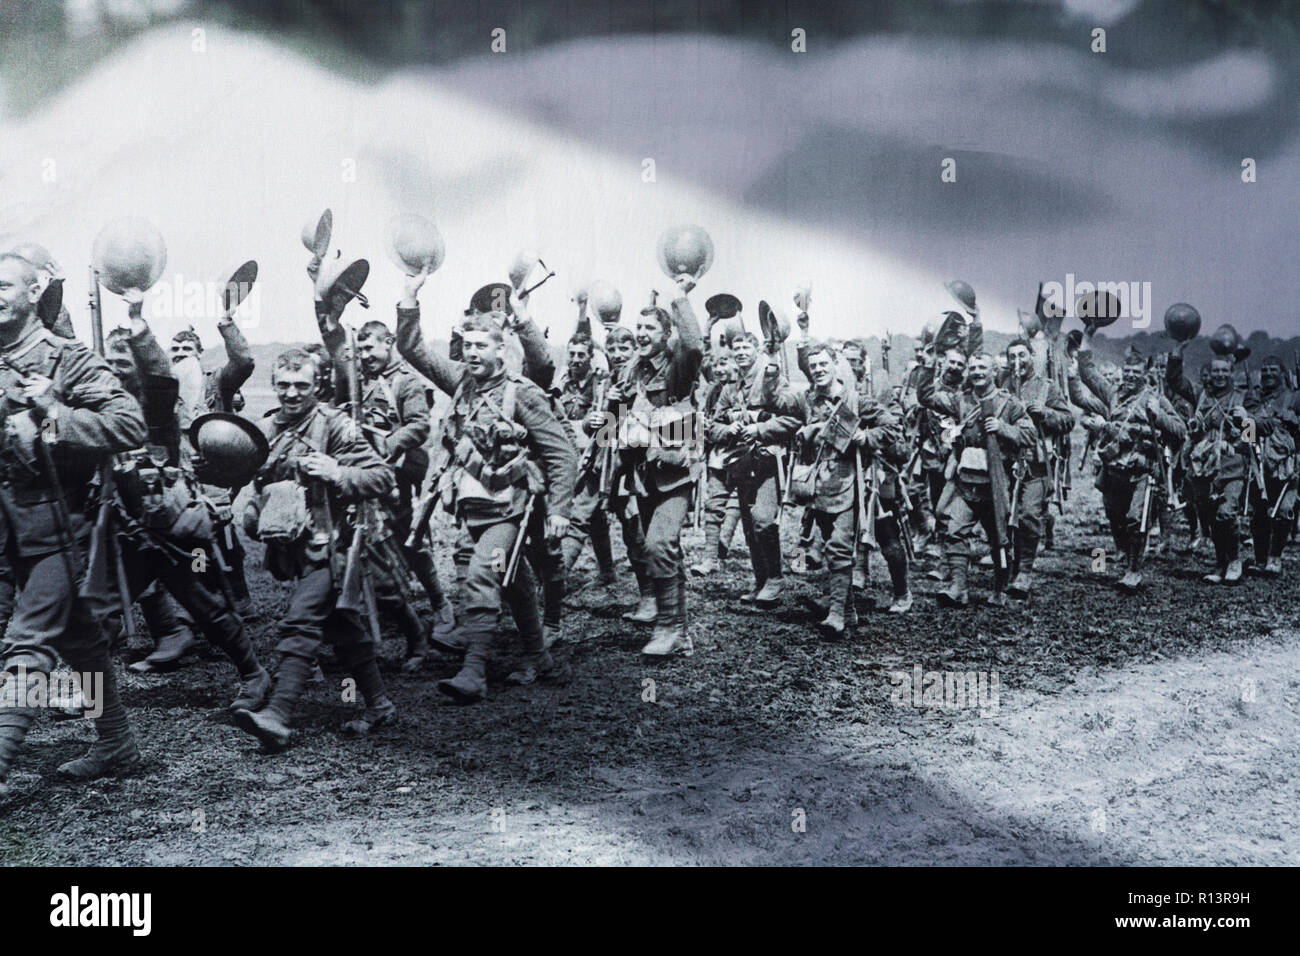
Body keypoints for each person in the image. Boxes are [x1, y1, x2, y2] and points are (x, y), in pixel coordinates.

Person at [0, 252, 147, 792]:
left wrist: (54, 412)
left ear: (34, 292)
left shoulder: (66, 358)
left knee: (29, 644)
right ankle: (117, 742)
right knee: (81, 641)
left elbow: (129, 423)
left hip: (60, 527)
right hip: (8, 529)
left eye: (3, 285)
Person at [396, 267, 577, 701]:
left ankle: (473, 671)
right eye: (468, 345)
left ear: (502, 350)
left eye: (482, 346)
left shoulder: (524, 394)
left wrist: (559, 511)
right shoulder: (461, 382)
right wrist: (409, 297)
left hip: (512, 507)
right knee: (512, 582)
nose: (472, 353)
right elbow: (412, 348)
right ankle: (538, 657)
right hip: (476, 505)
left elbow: (561, 454)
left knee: (482, 574)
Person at [234, 348, 398, 750]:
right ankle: (379, 705)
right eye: (284, 385)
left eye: (302, 385)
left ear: (317, 385)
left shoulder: (335, 426)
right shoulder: (266, 429)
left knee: (301, 621)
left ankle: (277, 714)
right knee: (343, 629)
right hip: (292, 548)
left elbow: (382, 476)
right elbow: (242, 474)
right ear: (274, 386)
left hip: (334, 546)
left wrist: (337, 471)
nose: (292, 394)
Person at [604, 278, 704, 657]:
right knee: (658, 549)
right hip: (641, 476)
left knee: (661, 543)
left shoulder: (677, 368)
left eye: (650, 329)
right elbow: (611, 431)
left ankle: (668, 629)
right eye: (639, 327)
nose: (642, 334)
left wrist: (680, 298)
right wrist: (612, 407)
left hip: (674, 472)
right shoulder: (632, 372)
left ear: (666, 335)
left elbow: (694, 345)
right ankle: (679, 631)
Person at [789, 340, 906, 634]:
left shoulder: (856, 400)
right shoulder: (809, 400)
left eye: (823, 365)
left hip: (851, 482)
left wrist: (866, 437)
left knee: (840, 547)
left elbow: (892, 427)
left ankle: (837, 614)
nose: (818, 370)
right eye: (813, 366)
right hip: (819, 484)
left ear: (835, 365)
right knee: (830, 545)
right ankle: (849, 610)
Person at [917, 350, 1035, 606]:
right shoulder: (961, 400)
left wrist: (1002, 428)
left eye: (983, 367)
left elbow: (1029, 436)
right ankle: (958, 587)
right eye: (973, 368)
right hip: (966, 483)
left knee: (1000, 538)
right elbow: (926, 397)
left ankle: (1000, 589)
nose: (978, 372)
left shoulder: (1009, 403)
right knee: (954, 532)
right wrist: (927, 368)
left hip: (996, 485)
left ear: (994, 372)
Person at [1073, 334, 1186, 591]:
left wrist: (1158, 418)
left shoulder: (1155, 399)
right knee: (1116, 517)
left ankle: (1134, 570)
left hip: (1143, 471)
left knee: (1137, 519)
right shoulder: (1113, 394)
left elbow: (1180, 430)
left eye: (1136, 372)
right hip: (1114, 471)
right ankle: (1127, 554)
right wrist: (1087, 337)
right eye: (1128, 371)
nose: (1131, 376)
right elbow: (1088, 373)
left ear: (1144, 373)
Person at [1000, 338, 1075, 598]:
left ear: (1032, 356)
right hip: (1005, 463)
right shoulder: (1002, 386)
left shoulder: (1047, 388)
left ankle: (1024, 572)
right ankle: (1008, 567)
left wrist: (1045, 413)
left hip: (1036, 464)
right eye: (1012, 356)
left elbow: (1068, 420)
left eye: (1022, 355)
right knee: (1005, 518)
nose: (1017, 361)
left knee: (1029, 516)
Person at [1244, 355, 1300, 575]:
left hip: (1286, 463)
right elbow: (1246, 431)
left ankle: (1275, 558)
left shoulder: (1293, 398)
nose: (1268, 374)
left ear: (1281, 373)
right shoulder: (1252, 398)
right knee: (1259, 512)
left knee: (1285, 509)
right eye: (1265, 369)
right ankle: (1260, 559)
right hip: (1259, 462)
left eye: (1273, 370)